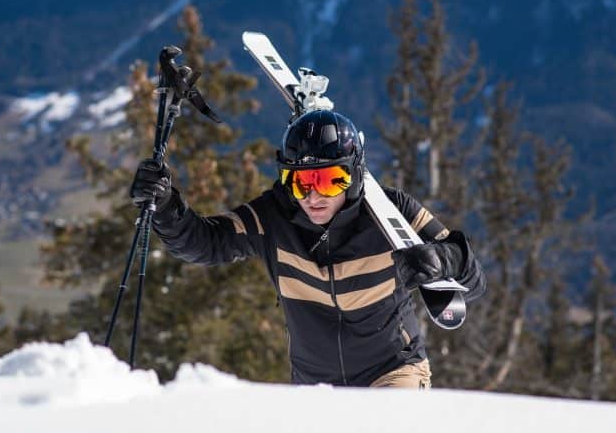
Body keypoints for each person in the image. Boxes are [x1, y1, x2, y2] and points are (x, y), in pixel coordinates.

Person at [130, 109, 486, 388]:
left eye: (330, 181)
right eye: (300, 182)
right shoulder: (273, 217)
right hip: (315, 386)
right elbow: (204, 243)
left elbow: (473, 278)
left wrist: (445, 258)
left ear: (354, 176)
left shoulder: (392, 211)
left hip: (393, 373)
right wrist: (165, 207)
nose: (313, 196)